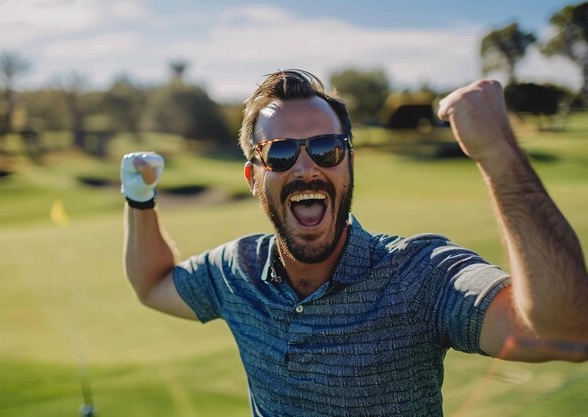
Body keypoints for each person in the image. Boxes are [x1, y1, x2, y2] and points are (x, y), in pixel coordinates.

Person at [122, 70, 587, 417]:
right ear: (253, 177)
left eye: (326, 149)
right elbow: (152, 283)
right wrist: (139, 196)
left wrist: (501, 158)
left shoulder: (421, 275)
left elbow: (565, 331)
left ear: (348, 163)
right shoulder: (238, 269)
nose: (306, 169)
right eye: (281, 152)